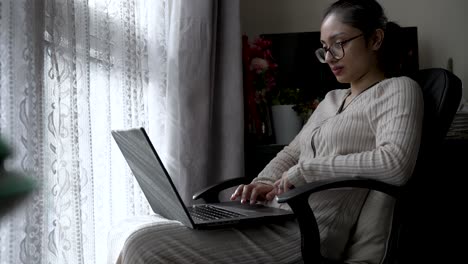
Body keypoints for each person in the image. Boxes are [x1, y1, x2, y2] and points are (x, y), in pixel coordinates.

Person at [109, 0, 423, 263]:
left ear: (376, 39)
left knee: (142, 245)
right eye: (324, 48)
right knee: (130, 228)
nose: (329, 58)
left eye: (339, 44)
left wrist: (308, 170)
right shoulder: (332, 99)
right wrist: (261, 183)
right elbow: (291, 153)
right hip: (273, 216)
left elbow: (395, 163)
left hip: (307, 235)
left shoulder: (398, 90)